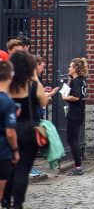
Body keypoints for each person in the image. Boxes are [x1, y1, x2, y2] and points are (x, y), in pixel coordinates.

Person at [3, 52, 48, 209]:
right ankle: (18, 204)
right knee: (23, 170)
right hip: (29, 129)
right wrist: (34, 77)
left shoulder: (6, 85)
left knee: (8, 168)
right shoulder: (33, 84)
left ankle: (6, 200)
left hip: (8, 129)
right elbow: (43, 102)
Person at [61, 58, 88, 175]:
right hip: (79, 112)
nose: (69, 68)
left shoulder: (77, 81)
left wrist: (65, 98)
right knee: (74, 140)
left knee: (72, 141)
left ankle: (78, 167)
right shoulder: (80, 80)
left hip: (74, 112)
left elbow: (76, 97)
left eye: (71, 66)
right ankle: (78, 165)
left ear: (76, 68)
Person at [0, 61, 18, 193]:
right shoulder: (7, 101)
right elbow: (10, 132)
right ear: (11, 76)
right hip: (3, 151)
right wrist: (16, 150)